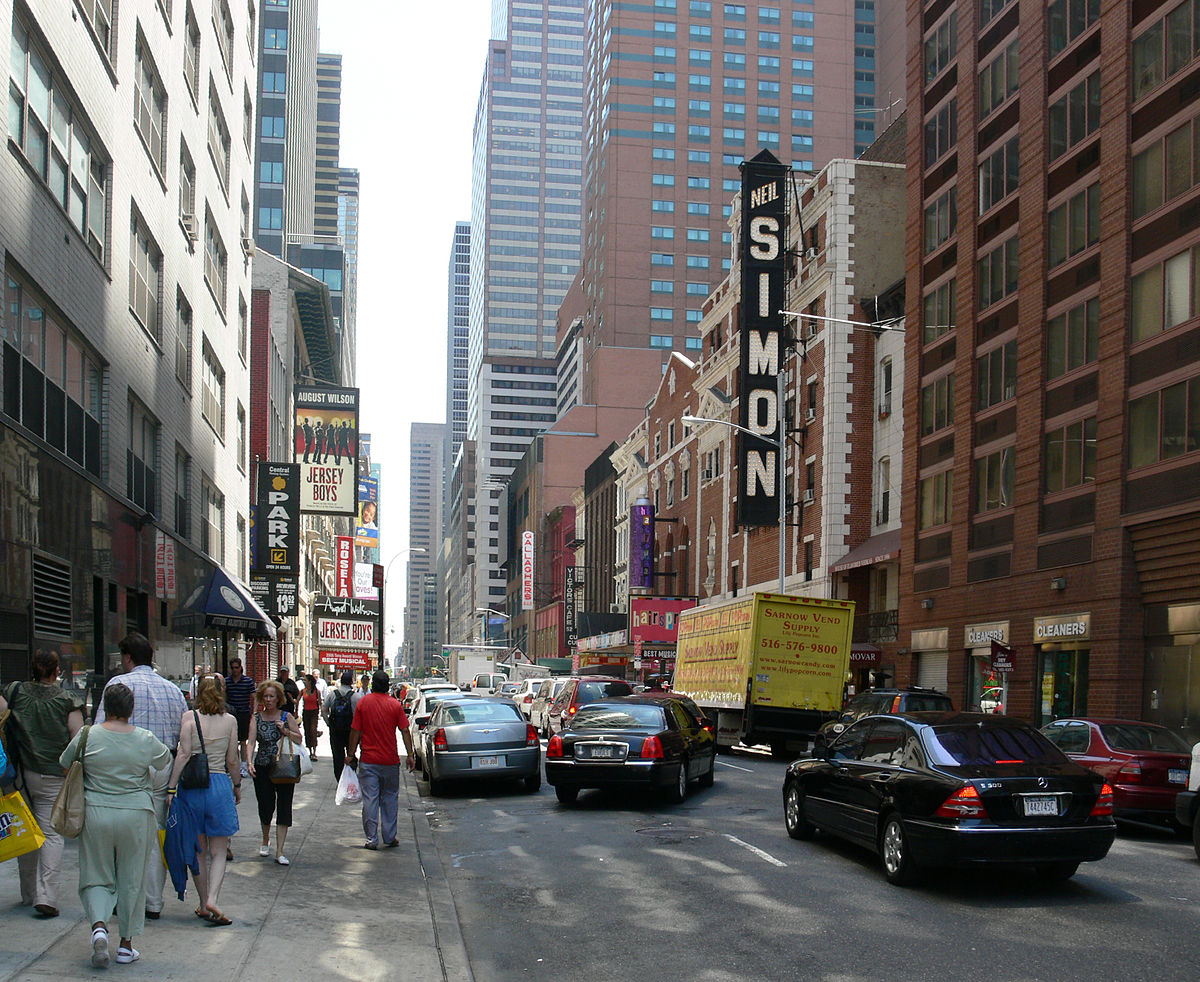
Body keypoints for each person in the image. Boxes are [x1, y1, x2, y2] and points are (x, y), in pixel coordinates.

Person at [64, 682, 172, 967]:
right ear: (130, 710)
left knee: (97, 874)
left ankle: (99, 927)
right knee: (132, 877)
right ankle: (126, 945)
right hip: (136, 814)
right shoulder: (145, 738)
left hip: (96, 813)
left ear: (106, 708)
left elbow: (65, 762)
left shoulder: (88, 735)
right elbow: (164, 760)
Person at [95, 632, 187, 920]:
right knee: (154, 831)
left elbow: (100, 728)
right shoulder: (172, 690)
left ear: (128, 658)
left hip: (124, 765)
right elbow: (184, 737)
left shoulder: (117, 684)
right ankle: (152, 902)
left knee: (118, 830)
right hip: (162, 764)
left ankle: (115, 898)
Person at [0, 649, 85, 918]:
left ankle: (27, 894)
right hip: (53, 776)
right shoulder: (66, 699)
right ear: (56, 670)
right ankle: (45, 895)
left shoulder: (15, 691)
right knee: (50, 834)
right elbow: (78, 737)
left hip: (20, 776)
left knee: (25, 830)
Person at [167, 676, 240, 926]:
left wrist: (170, 787)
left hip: (193, 788)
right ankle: (213, 898)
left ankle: (201, 903)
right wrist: (237, 786)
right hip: (219, 786)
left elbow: (184, 754)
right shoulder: (230, 721)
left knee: (199, 849)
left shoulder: (189, 718)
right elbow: (232, 759)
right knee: (219, 851)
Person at [347, 670, 415, 851]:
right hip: (390, 761)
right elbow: (405, 730)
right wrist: (410, 754)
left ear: (372, 684)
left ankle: (371, 839)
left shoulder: (363, 703)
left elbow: (355, 731)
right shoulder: (395, 705)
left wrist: (351, 753)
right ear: (387, 686)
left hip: (368, 760)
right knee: (390, 798)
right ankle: (390, 836)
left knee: (370, 799)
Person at [245, 680, 302, 865]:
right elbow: (251, 741)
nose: (268, 700)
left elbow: (299, 739)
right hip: (262, 766)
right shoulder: (257, 717)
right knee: (265, 805)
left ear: (278, 698)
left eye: (271, 696)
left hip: (284, 766)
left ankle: (279, 851)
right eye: (265, 696)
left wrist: (284, 730)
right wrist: (248, 760)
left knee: (284, 807)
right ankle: (265, 838)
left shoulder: (286, 716)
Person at [321, 670, 360, 782]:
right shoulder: (356, 697)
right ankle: (351, 777)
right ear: (351, 682)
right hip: (351, 731)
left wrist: (328, 722)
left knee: (337, 756)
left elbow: (324, 709)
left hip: (335, 730)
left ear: (341, 681)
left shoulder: (332, 694)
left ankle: (340, 779)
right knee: (351, 753)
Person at [224, 658, 256, 779]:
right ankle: (234, 765)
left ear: (240, 667)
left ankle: (243, 765)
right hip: (231, 714)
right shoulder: (227, 681)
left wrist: (255, 711)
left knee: (243, 741)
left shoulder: (247, 681)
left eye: (236, 667)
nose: (234, 670)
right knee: (231, 741)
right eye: (232, 668)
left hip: (243, 714)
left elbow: (254, 696)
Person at [299, 674, 321, 761]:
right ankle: (310, 751)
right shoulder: (303, 691)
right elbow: (297, 701)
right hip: (306, 712)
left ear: (310, 681)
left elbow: (320, 702)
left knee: (313, 730)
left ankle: (314, 752)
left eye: (306, 680)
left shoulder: (316, 691)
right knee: (307, 731)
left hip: (314, 712)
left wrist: (322, 712)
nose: (304, 682)